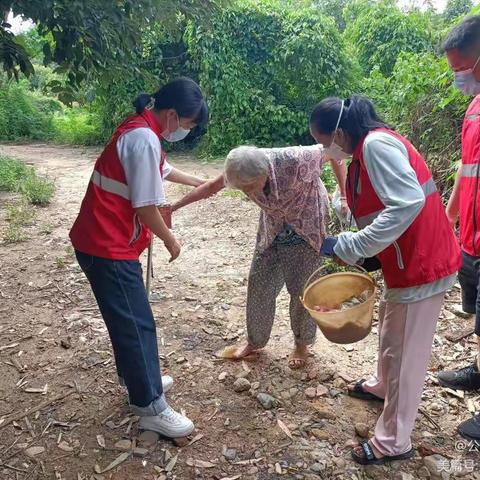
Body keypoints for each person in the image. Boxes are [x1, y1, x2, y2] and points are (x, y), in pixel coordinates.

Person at [310, 95, 461, 464]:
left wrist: (354, 245)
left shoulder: (376, 146)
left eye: (325, 141)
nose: (325, 149)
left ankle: (393, 441)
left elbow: (408, 202)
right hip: (403, 263)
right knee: (392, 333)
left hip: (422, 263)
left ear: (340, 133)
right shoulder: (364, 151)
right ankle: (381, 386)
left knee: (407, 352)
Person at [69, 77, 209, 438]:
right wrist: (170, 240)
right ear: (173, 115)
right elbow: (146, 207)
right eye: (188, 125)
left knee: (127, 319)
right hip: (107, 244)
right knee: (137, 322)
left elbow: (162, 171)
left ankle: (136, 376)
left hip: (101, 240)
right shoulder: (144, 137)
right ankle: (150, 406)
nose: (185, 132)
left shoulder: (141, 128)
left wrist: (202, 183)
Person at [173, 145, 347, 368]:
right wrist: (175, 206)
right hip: (273, 227)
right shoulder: (239, 169)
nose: (247, 192)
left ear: (264, 173)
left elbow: (336, 154)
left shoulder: (296, 158)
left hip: (308, 222)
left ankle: (301, 344)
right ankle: (255, 342)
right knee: (259, 282)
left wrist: (343, 196)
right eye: (241, 188)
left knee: (303, 288)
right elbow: (209, 188)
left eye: (249, 187)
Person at [437, 16, 480, 444]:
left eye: (462, 68)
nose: (458, 78)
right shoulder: (473, 107)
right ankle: (478, 373)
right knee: (477, 318)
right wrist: (448, 221)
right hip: (471, 234)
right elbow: (468, 172)